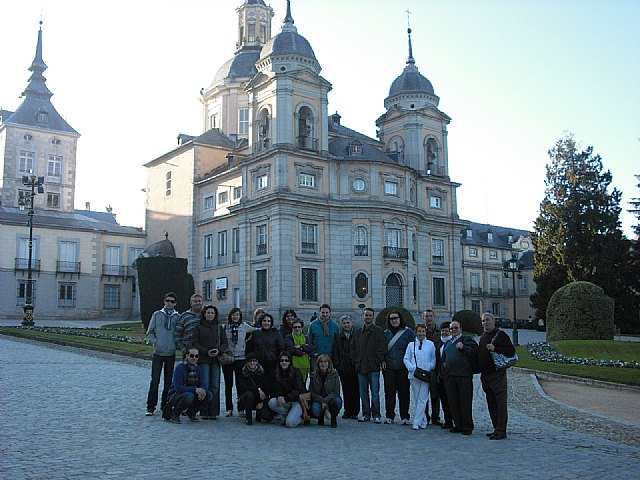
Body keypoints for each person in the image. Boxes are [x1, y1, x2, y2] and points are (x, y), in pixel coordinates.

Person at [478, 312, 516, 440]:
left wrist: (495, 348)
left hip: (497, 375)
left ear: (493, 321)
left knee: (500, 404)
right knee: (491, 403)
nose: (485, 323)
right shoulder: (483, 336)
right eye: (483, 321)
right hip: (486, 376)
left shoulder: (501, 335)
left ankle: (501, 430)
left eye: (487, 320)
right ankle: (496, 428)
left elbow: (511, 351)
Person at [442, 320, 479, 435]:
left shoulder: (466, 339)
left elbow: (475, 352)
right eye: (451, 329)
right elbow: (444, 357)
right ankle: (457, 424)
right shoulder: (448, 343)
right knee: (453, 401)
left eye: (456, 328)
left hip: (464, 375)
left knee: (465, 401)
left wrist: (463, 347)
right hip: (450, 376)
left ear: (461, 329)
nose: (453, 330)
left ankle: (467, 426)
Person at [145, 292, 180, 416]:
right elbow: (150, 332)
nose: (169, 303)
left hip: (170, 353)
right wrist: (156, 343)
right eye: (167, 300)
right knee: (155, 380)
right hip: (158, 353)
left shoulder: (177, 317)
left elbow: (179, 333)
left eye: (172, 301)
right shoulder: (157, 314)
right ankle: (150, 406)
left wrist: (175, 345)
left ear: (175, 303)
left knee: (168, 381)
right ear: (164, 301)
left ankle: (165, 405)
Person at [351, 307, 387, 423]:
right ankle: (366, 413)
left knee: (375, 392)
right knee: (363, 392)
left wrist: (378, 360)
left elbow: (382, 348)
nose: (368, 317)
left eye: (370, 315)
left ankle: (376, 414)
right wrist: (356, 360)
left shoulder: (379, 331)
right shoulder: (357, 332)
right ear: (363, 316)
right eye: (366, 315)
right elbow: (353, 348)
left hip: (373, 367)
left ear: (373, 316)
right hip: (361, 366)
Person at [193, 304, 228, 419]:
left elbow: (224, 343)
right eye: (208, 313)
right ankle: (204, 411)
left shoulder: (219, 327)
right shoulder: (199, 327)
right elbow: (196, 342)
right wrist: (206, 351)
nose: (210, 315)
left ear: (215, 315)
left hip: (216, 360)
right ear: (204, 314)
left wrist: (219, 351)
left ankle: (213, 411)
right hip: (203, 359)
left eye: (212, 313)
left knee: (215, 385)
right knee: (205, 385)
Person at [222, 307, 256, 417]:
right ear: (230, 316)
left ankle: (241, 407)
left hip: (240, 357)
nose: (235, 317)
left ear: (240, 316)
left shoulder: (244, 326)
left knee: (240, 384)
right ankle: (229, 408)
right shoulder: (225, 327)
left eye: (237, 315)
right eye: (233, 315)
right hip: (229, 358)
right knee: (228, 384)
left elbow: (255, 331)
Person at [382, 310, 415, 425]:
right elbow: (382, 350)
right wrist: (382, 360)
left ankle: (405, 416)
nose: (394, 320)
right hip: (389, 367)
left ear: (400, 319)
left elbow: (413, 348)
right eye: (392, 319)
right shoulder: (386, 333)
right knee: (389, 392)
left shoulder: (408, 332)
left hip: (403, 368)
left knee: (404, 393)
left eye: (396, 318)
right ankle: (389, 415)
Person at [403, 324, 437, 430]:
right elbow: (406, 359)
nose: (421, 333)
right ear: (416, 333)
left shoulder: (430, 344)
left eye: (423, 331)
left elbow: (433, 359)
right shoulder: (410, 345)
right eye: (419, 331)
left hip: (426, 375)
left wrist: (429, 367)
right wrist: (412, 367)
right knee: (417, 398)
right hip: (414, 375)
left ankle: (416, 422)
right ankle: (424, 420)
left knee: (423, 398)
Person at [166, 347, 212, 423]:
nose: (194, 358)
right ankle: (175, 414)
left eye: (196, 356)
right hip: (176, 394)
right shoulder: (180, 368)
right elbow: (178, 387)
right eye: (192, 355)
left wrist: (203, 391)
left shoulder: (198, 369)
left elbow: (203, 383)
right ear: (187, 356)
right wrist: (195, 389)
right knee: (189, 396)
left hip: (191, 393)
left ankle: (191, 413)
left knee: (208, 395)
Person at [268, 351, 306, 428]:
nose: (284, 362)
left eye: (286, 360)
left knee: (290, 424)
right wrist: (279, 396)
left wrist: (286, 398)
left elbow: (299, 389)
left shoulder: (296, 372)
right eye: (281, 360)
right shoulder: (277, 373)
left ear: (290, 362)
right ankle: (290, 415)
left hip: (297, 401)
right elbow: (276, 388)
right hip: (286, 401)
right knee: (271, 402)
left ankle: (301, 418)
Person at [332, 314, 359, 419]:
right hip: (343, 367)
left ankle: (355, 411)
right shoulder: (339, 337)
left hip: (354, 367)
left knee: (355, 390)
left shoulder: (356, 335)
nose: (346, 325)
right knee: (346, 390)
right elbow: (335, 352)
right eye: (344, 323)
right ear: (341, 325)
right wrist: (337, 365)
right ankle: (347, 410)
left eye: (348, 322)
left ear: (352, 323)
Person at [248, 313, 283, 386]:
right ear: (261, 322)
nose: (266, 323)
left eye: (268, 321)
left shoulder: (276, 333)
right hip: (258, 366)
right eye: (264, 321)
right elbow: (249, 348)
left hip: (273, 365)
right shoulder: (255, 333)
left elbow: (281, 349)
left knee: (273, 387)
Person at [239, 353, 273, 425]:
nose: (252, 363)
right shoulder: (242, 372)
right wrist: (258, 390)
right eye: (250, 361)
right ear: (246, 362)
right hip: (247, 398)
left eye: (254, 361)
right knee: (249, 395)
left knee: (267, 416)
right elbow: (243, 388)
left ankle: (259, 415)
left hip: (260, 399)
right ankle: (248, 418)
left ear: (257, 362)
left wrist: (263, 402)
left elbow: (267, 388)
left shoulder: (262, 372)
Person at [309, 354, 342, 428]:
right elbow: (311, 393)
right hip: (318, 399)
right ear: (318, 364)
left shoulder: (334, 375)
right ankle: (320, 416)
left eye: (325, 362)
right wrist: (321, 400)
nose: (323, 364)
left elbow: (336, 392)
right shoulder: (313, 376)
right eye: (321, 362)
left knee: (337, 401)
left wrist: (325, 401)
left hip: (331, 399)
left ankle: (333, 418)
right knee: (315, 410)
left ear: (329, 363)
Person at [423, 309, 442, 426]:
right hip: (423, 368)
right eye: (426, 316)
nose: (429, 318)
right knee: (423, 394)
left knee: (435, 394)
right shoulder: (420, 331)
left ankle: (436, 417)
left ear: (434, 317)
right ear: (423, 318)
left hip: (435, 368)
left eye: (430, 316)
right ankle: (425, 417)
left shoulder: (439, 333)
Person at [308, 304, 340, 371]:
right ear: (319, 313)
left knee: (329, 380)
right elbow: (309, 340)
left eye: (326, 313)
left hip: (330, 358)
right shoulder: (313, 325)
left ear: (330, 313)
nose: (325, 314)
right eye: (323, 312)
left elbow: (337, 343)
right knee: (315, 379)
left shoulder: (335, 326)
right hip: (316, 357)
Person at [284, 318, 312, 383]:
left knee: (303, 384)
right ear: (292, 328)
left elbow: (310, 348)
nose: (297, 329)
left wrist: (300, 347)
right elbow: (292, 350)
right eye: (295, 327)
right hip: (294, 366)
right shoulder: (289, 338)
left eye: (299, 327)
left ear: (302, 328)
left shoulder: (306, 337)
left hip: (305, 366)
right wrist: (304, 348)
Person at [437, 321, 454, 429]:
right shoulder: (439, 342)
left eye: (447, 331)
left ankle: (455, 420)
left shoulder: (453, 342)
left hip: (451, 375)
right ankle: (448, 421)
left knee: (452, 399)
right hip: (441, 375)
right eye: (443, 331)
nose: (444, 333)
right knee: (444, 399)